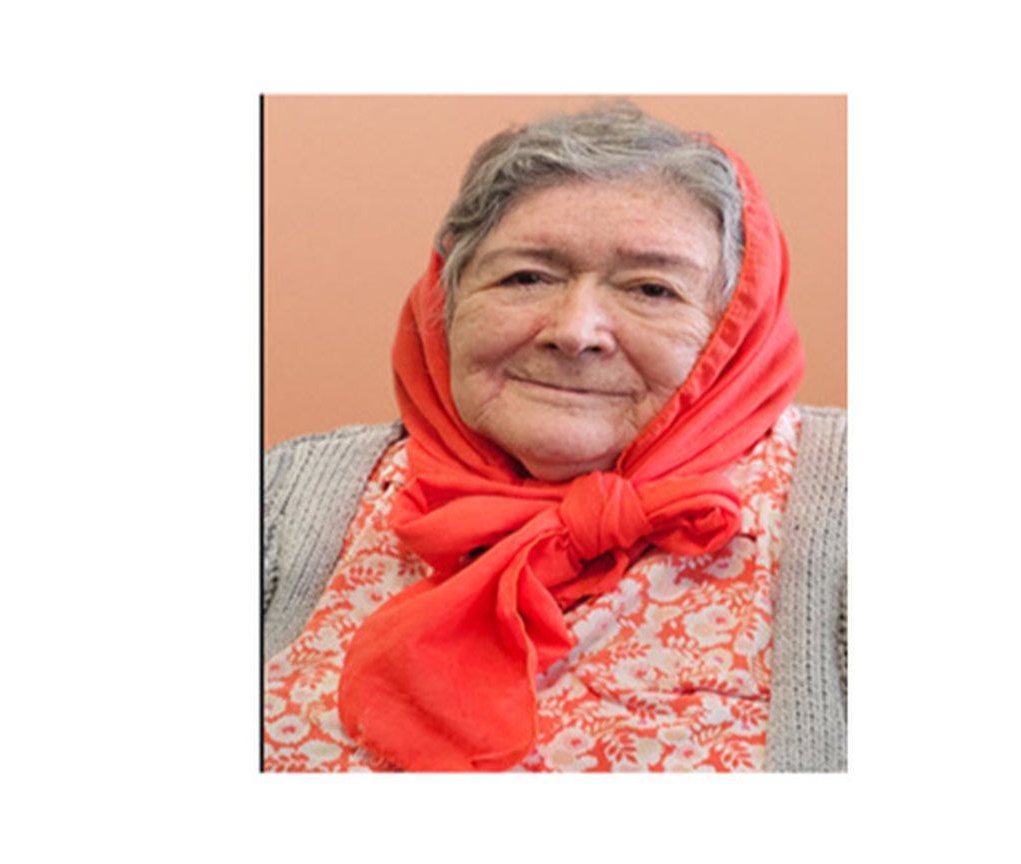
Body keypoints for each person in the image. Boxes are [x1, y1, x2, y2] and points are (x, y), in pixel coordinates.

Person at [262, 103, 847, 773]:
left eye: (651, 289)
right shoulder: (284, 497)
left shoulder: (850, 504)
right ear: (444, 303)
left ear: (734, 330)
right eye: (527, 277)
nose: (575, 332)